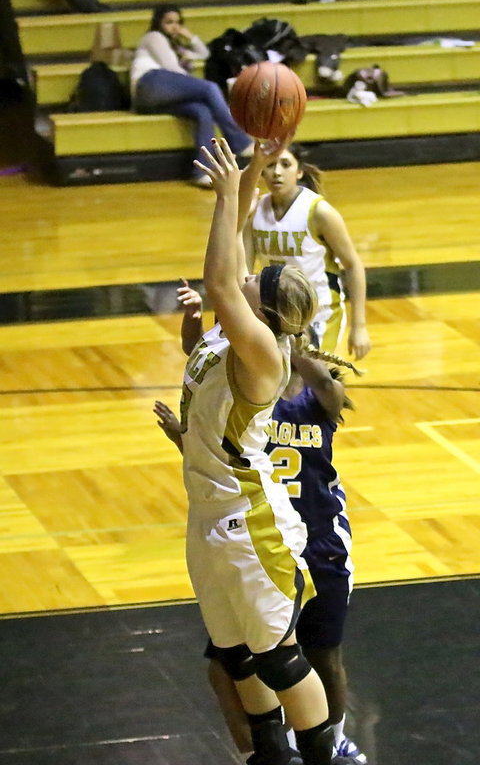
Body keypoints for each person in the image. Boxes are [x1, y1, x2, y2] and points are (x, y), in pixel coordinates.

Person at [158, 135, 364, 765]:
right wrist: (245, 179)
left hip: (251, 526)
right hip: (208, 514)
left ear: (264, 308)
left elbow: (222, 277)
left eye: (255, 281)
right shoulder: (231, 334)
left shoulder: (261, 353)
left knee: (279, 657)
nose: (244, 274)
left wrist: (224, 195)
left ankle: (323, 756)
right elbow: (226, 269)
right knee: (238, 657)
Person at [242, 142, 371, 360]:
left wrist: (359, 326)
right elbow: (244, 268)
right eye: (271, 165)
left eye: (285, 165)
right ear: (262, 171)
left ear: (299, 171)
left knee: (318, 382)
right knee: (280, 386)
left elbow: (353, 265)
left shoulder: (319, 211)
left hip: (319, 312)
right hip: (277, 311)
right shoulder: (255, 212)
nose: (277, 172)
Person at [130, 5, 253, 187]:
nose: (174, 27)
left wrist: (189, 36)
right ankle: (240, 142)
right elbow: (172, 69)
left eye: (178, 23)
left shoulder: (176, 47)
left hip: (153, 100)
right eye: (169, 22)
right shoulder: (153, 37)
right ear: (158, 23)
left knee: (203, 112)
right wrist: (194, 85)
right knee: (209, 89)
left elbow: (204, 54)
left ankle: (202, 172)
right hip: (148, 83)